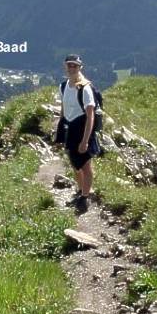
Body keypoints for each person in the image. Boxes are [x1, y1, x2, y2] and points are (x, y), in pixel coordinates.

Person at [58, 54, 99, 211]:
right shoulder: (63, 86)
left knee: (86, 166)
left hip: (82, 129)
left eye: (75, 65)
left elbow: (90, 116)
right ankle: (81, 190)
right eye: (69, 65)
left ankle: (85, 197)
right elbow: (63, 109)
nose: (72, 68)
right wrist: (60, 130)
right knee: (75, 164)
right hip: (70, 128)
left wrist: (85, 141)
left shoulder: (85, 88)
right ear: (65, 66)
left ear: (80, 67)